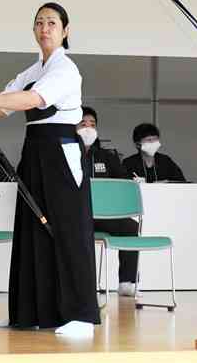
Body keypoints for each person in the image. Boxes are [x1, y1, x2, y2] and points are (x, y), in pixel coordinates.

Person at [0, 2, 99, 337]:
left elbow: (31, 101)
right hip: (34, 153)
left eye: (51, 22)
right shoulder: (31, 70)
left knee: (66, 231)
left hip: (61, 155)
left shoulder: (66, 70)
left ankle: (80, 316)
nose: (44, 28)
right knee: (30, 229)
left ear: (65, 31)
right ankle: (28, 312)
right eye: (39, 22)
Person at [77, 107, 138, 297]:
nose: (88, 128)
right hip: (77, 215)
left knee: (130, 226)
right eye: (83, 124)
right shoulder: (66, 154)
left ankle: (127, 281)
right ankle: (80, 284)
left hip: (102, 216)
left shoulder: (106, 157)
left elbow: (123, 180)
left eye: (92, 125)